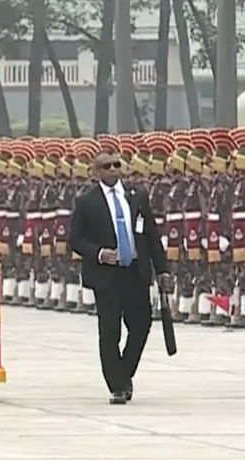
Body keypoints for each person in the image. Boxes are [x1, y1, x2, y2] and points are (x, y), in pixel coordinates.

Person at [69, 149, 173, 405]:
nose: (114, 169)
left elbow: (150, 233)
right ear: (97, 171)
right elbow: (75, 239)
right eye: (107, 166)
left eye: (117, 165)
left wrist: (162, 269)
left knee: (141, 325)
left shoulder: (136, 197)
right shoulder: (86, 202)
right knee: (110, 331)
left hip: (135, 272)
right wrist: (99, 253)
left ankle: (123, 373)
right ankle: (117, 386)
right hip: (107, 276)